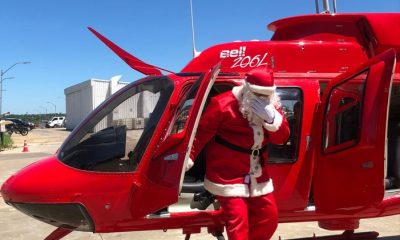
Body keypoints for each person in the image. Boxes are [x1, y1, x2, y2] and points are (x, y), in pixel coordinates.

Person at [187, 67, 290, 240]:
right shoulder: (222, 104)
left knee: (269, 218)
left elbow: (282, 138)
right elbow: (201, 133)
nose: (261, 99)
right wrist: (190, 156)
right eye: (258, 94)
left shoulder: (271, 109)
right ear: (247, 89)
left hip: (258, 176)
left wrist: (272, 119)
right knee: (238, 222)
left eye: (266, 95)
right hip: (228, 176)